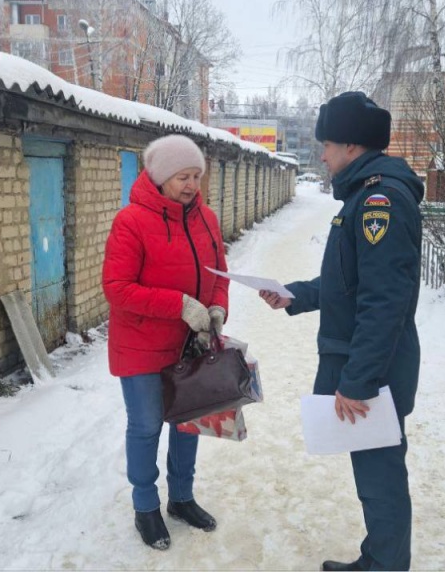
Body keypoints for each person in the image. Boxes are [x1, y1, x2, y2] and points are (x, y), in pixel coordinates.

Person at [259, 91, 424, 571]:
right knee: (375, 472)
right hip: (369, 366)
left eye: (328, 145)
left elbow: (383, 303)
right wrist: (295, 294)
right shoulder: (364, 195)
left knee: (381, 475)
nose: (323, 155)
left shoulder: (379, 201)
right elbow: (349, 285)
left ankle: (385, 565)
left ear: (351, 146)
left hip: (374, 370)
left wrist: (358, 382)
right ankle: (379, 558)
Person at [102, 134, 230, 550]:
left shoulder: (206, 219)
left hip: (189, 345)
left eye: (196, 176)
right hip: (140, 345)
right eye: (182, 177)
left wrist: (216, 309)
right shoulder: (132, 222)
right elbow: (117, 288)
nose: (192, 185)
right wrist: (178, 305)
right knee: (145, 426)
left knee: (187, 422)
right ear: (159, 178)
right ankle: (146, 508)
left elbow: (219, 276)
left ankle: (181, 498)